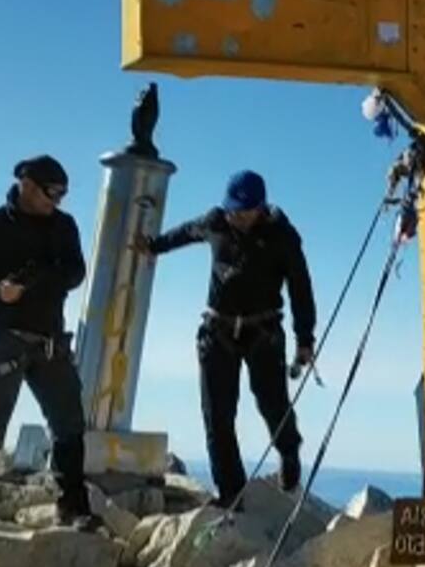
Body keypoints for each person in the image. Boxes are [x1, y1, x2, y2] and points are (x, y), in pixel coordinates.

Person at [133, 169, 316, 507]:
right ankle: (231, 494)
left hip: (263, 332)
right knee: (217, 415)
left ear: (260, 207)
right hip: (217, 331)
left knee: (272, 404)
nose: (237, 218)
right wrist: (155, 247)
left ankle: (289, 451)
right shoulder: (216, 222)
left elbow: (300, 288)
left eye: (244, 212)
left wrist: (305, 337)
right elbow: (185, 233)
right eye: (232, 210)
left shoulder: (282, 236)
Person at [0, 155, 95, 537]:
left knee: (69, 422)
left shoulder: (64, 226)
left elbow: (77, 271)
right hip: (1, 339)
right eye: (52, 193)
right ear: (27, 185)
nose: (58, 201)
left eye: (63, 194)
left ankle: (73, 509)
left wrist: (48, 278)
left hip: (50, 341)